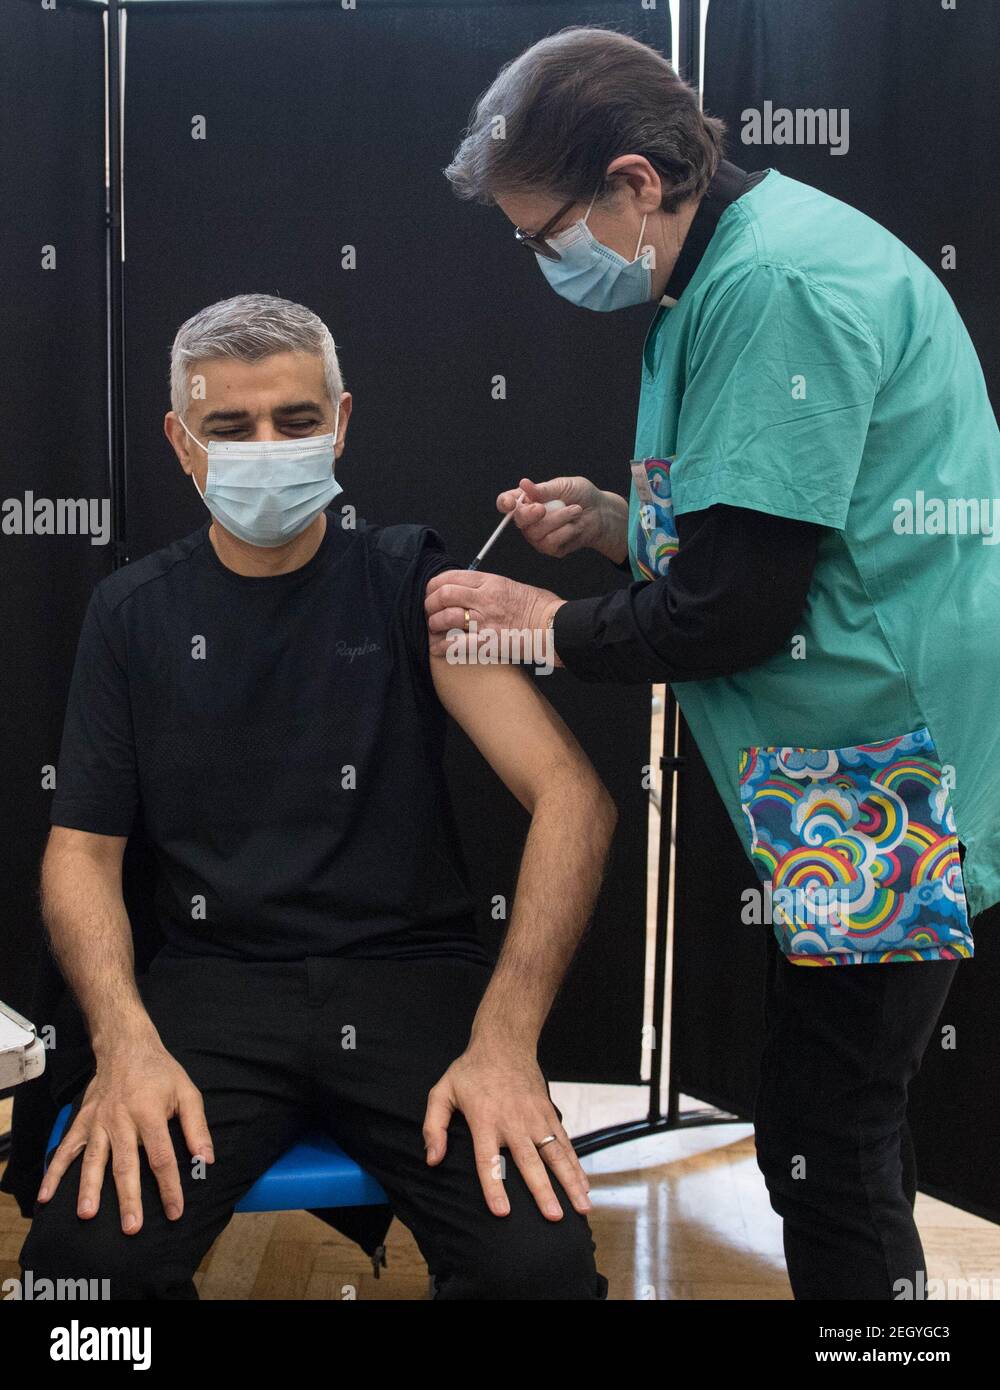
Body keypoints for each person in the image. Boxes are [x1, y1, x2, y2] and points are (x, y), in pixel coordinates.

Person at [427, 27, 1000, 1300]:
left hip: (881, 778)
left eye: (544, 233)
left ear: (635, 182)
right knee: (837, 1120)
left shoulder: (770, 285)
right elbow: (798, 517)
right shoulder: (750, 247)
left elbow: (734, 610)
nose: (540, 263)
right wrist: (615, 523)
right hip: (864, 748)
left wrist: (539, 625)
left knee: (827, 1144)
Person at [19, 292, 614, 1300]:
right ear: (180, 442)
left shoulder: (411, 585)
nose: (266, 446)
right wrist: (123, 1045)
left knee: (538, 1273)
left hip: (410, 979)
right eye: (229, 426)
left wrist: (506, 1040)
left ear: (339, 423)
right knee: (80, 1275)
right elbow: (81, 851)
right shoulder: (131, 615)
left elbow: (572, 796)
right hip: (213, 984)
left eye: (295, 421)